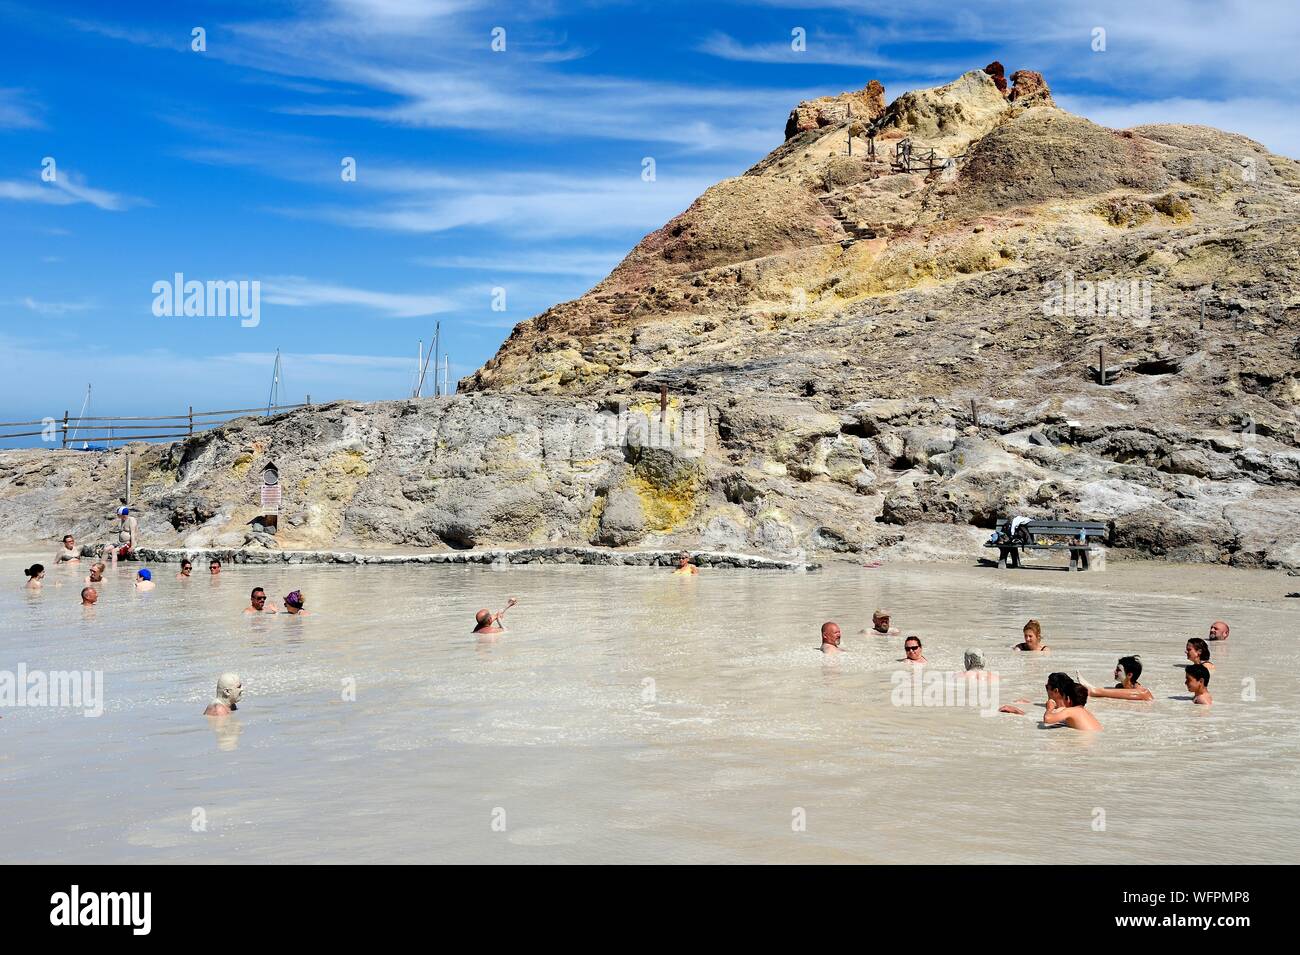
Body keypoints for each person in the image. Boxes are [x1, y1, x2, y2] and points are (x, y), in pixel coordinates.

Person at [1001, 673, 1102, 731]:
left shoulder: (1070, 711)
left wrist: (1016, 711)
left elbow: (1047, 719)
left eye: (1047, 687)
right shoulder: (1083, 711)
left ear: (1068, 699)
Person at [1079, 656, 1154, 701]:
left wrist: (1093, 691)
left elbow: (1141, 693)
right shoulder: (1119, 687)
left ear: (1129, 675)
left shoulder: (1144, 693)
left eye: (1118, 670)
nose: (1115, 671)